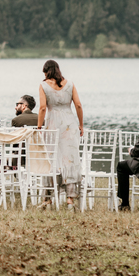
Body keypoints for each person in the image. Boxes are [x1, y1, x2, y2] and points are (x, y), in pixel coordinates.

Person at [38, 60, 83, 209]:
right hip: (69, 124)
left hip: (52, 124)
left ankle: (48, 199)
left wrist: (39, 126)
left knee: (51, 159)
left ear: (46, 71)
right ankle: (70, 199)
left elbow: (43, 108)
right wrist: (81, 124)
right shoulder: (70, 84)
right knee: (69, 159)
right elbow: (78, 105)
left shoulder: (43, 85)